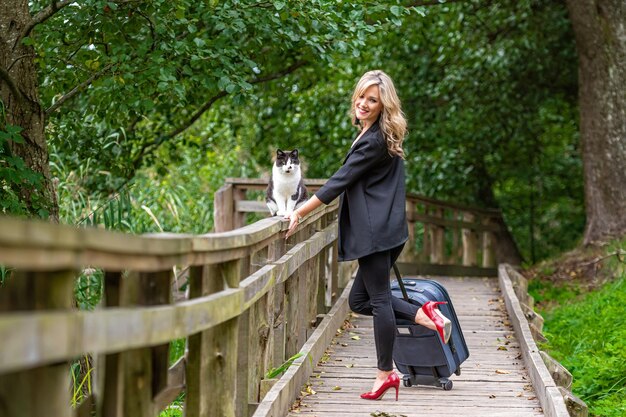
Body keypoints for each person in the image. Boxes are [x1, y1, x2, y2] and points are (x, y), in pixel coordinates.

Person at [285, 70, 451, 401]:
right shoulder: (374, 134)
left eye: (372, 100)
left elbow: (338, 182)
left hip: (376, 231)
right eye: (361, 96)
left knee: (375, 300)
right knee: (360, 300)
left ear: (382, 105)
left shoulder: (374, 140)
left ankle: (385, 373)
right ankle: (426, 315)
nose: (363, 103)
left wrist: (300, 211)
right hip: (384, 228)